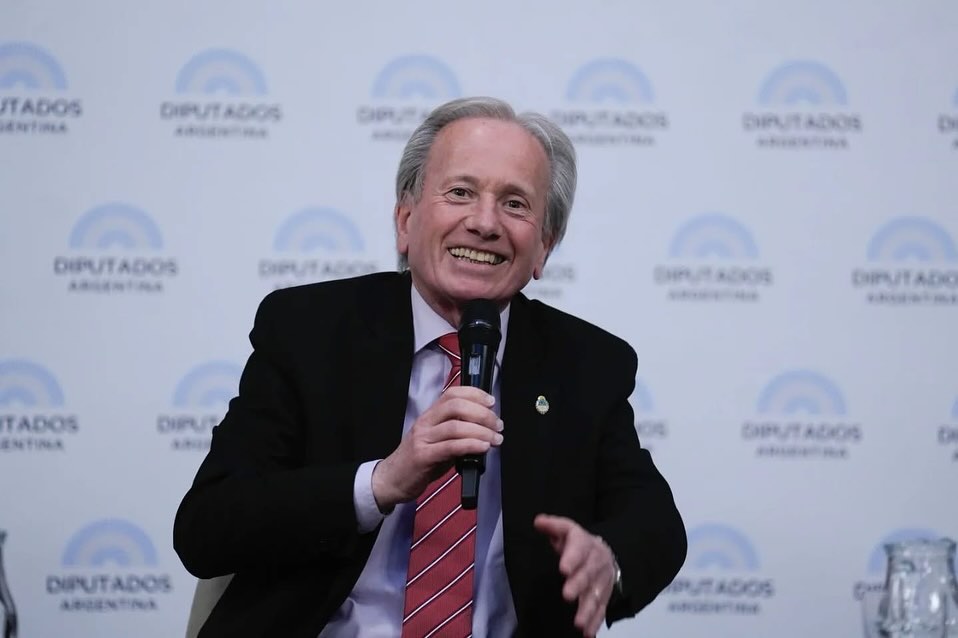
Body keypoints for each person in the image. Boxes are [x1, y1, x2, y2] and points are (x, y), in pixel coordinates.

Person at [174, 96, 686, 638]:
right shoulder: (310, 331)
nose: (484, 223)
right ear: (406, 220)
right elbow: (207, 526)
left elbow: (654, 522)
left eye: (515, 203)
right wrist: (381, 482)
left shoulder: (585, 363)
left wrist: (609, 559)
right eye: (460, 192)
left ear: (544, 247)